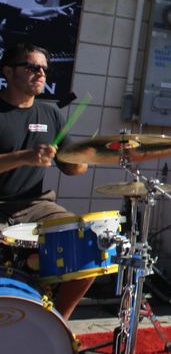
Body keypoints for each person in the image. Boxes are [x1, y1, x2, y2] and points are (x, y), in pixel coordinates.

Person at [0, 42, 92, 320]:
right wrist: (23, 157)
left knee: (88, 245)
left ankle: (57, 323)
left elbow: (72, 168)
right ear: (8, 71)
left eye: (44, 69)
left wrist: (82, 160)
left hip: (34, 205)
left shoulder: (51, 114)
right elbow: (25, 157)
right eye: (32, 67)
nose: (41, 73)